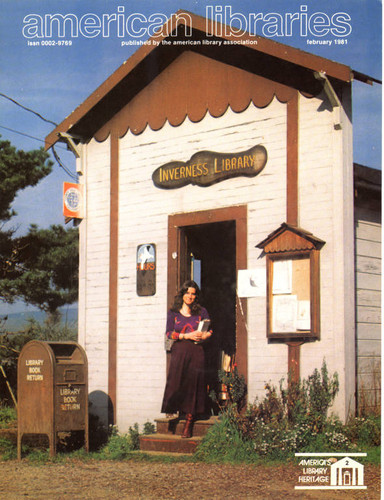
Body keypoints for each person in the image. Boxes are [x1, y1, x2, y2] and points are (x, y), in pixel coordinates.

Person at [161, 280, 212, 438]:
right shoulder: (174, 313)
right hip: (179, 350)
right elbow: (169, 333)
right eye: (187, 293)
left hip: (196, 351)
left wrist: (204, 335)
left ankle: (189, 421)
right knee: (176, 381)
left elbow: (210, 331)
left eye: (193, 293)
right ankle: (174, 412)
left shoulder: (201, 312)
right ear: (182, 294)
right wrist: (186, 335)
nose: (190, 296)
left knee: (193, 383)